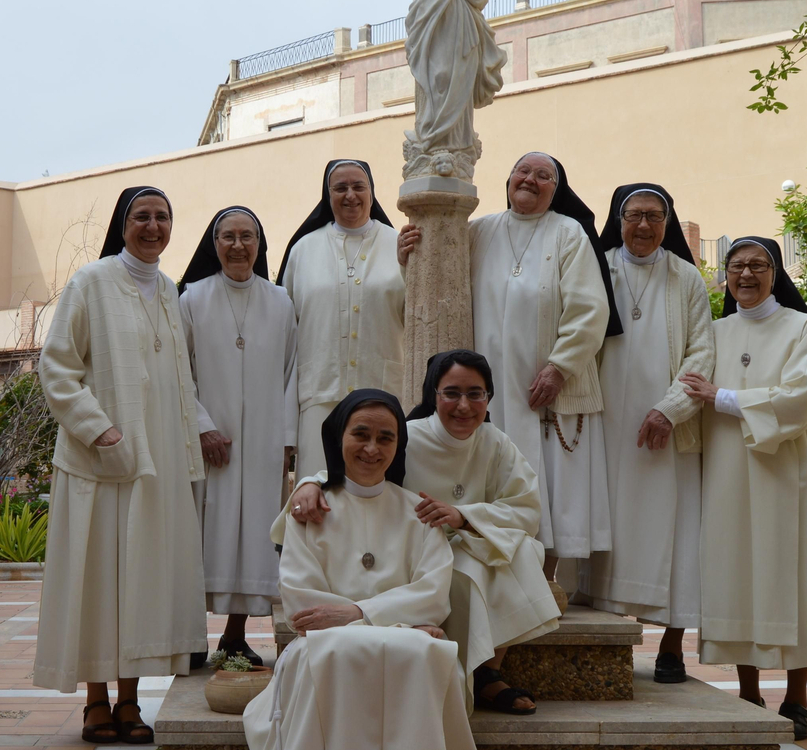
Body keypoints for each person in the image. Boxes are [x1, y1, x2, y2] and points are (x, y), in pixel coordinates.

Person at [246, 390, 479, 750]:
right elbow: (301, 603)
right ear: (339, 437)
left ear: (398, 446)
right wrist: (393, 621)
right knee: (343, 651)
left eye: (386, 438)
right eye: (361, 434)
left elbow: (434, 592)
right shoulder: (309, 509)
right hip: (333, 640)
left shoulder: (418, 513)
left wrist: (358, 615)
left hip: (387, 632)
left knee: (424, 652)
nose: (373, 448)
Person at [287, 351, 560, 715]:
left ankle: (487, 670)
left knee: (522, 550)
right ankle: (461, 666)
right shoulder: (407, 435)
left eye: (475, 394)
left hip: (470, 539)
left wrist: (463, 515)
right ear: (433, 394)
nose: (463, 405)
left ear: (488, 397)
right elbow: (361, 467)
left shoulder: (496, 443)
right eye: (451, 393)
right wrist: (309, 482)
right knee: (462, 572)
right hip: (414, 550)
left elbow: (526, 508)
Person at [33, 186, 207, 745]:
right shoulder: (91, 281)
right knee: (98, 578)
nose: (153, 227)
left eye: (162, 217)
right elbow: (57, 366)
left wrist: (189, 449)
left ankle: (129, 701)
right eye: (142, 217)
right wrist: (98, 427)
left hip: (158, 464)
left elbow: (179, 380)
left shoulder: (170, 289)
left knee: (139, 582)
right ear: (123, 224)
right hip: (101, 459)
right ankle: (95, 702)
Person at [402, 153, 619, 586]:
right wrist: (408, 258)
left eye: (543, 176)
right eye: (523, 171)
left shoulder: (568, 232)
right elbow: (440, 286)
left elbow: (590, 309)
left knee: (551, 484)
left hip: (544, 384)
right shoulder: (479, 230)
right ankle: (485, 571)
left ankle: (542, 579)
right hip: (484, 390)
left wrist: (560, 367)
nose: (530, 180)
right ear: (507, 180)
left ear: (556, 188)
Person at [679, 236, 807, 740]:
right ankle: (748, 693)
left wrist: (723, 397)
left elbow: (800, 397)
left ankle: (796, 699)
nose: (746, 275)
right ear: (725, 277)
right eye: (737, 266)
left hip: (787, 472)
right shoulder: (713, 332)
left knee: (796, 574)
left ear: (776, 274)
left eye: (758, 265)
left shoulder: (801, 327)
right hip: (727, 471)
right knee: (735, 572)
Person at [586, 184, 715, 684]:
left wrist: (671, 409)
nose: (643, 226)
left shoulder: (686, 277)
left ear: (668, 223)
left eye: (654, 216)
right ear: (618, 220)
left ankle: (672, 645)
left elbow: (702, 351)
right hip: (602, 423)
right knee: (605, 533)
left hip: (667, 431)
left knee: (675, 533)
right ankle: (602, 645)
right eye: (634, 215)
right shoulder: (597, 267)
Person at [179, 206, 297, 665]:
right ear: (215, 244)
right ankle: (191, 639)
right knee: (201, 535)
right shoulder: (192, 298)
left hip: (265, 443)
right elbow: (179, 372)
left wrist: (286, 437)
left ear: (259, 245)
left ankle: (233, 636)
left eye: (247, 236)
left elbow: (293, 371)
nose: (237, 245)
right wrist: (202, 426)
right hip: (209, 443)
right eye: (228, 236)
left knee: (255, 538)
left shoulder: (280, 301)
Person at [277, 160, 409, 478]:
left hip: (383, 393)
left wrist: (409, 267)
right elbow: (286, 336)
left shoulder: (400, 246)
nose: (350, 195)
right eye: (340, 188)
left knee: (377, 490)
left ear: (371, 193)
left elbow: (416, 319)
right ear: (328, 195)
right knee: (318, 491)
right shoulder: (302, 250)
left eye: (358, 186)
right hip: (318, 395)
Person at [400, 0, 507, 179]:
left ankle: (457, 143)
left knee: (457, 76)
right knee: (436, 76)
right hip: (428, 19)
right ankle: (429, 136)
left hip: (458, 20)